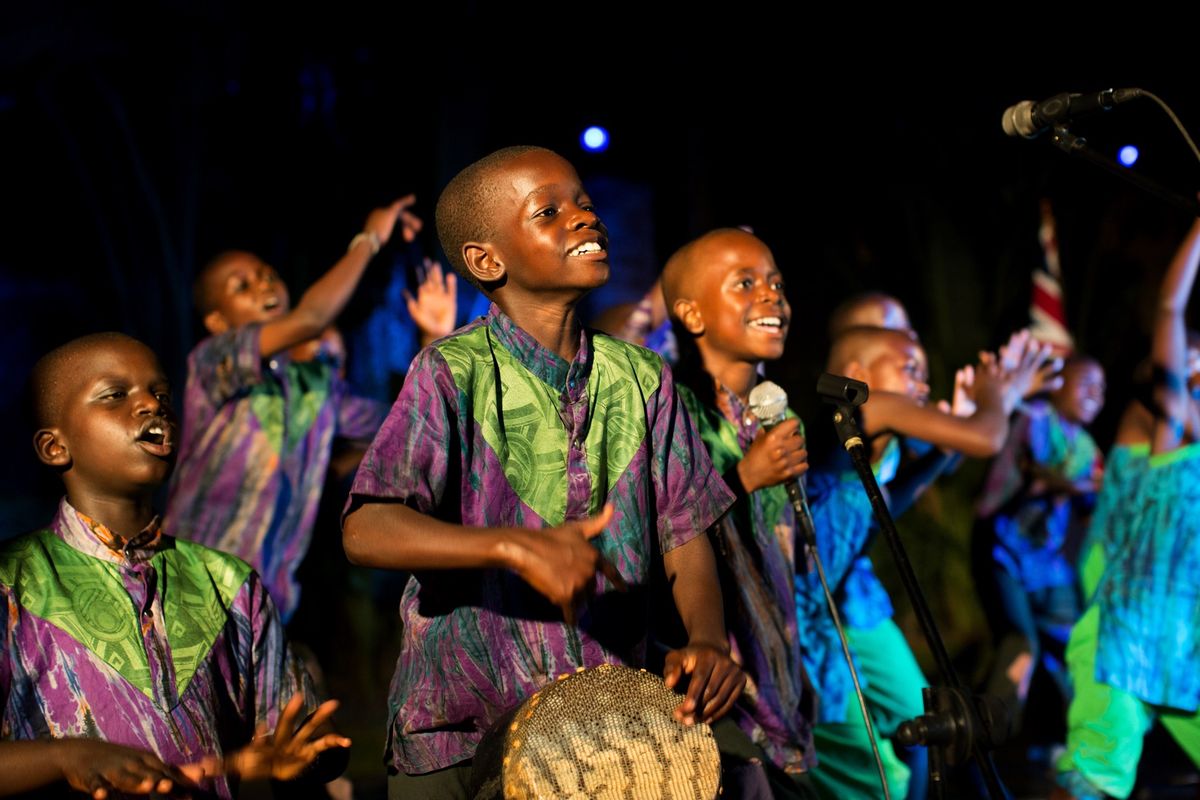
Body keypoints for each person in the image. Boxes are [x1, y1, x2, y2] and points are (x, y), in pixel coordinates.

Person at [341, 146, 744, 799]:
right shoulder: (453, 371)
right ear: (486, 260)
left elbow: (685, 531)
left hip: (606, 732)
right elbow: (366, 529)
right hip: (462, 731)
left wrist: (708, 639)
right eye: (549, 211)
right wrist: (512, 546)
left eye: (584, 203)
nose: (584, 218)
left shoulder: (643, 378)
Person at [1, 332, 349, 799]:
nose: (151, 403)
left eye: (161, 393)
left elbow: (307, 739)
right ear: (55, 447)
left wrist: (304, 756)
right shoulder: (14, 581)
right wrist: (68, 757)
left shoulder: (227, 581)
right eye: (115, 395)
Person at [802, 324, 1051, 798]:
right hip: (805, 624)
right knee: (878, 774)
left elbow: (888, 503)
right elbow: (986, 438)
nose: (921, 383)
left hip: (827, 612)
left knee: (919, 729)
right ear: (856, 373)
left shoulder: (871, 443)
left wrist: (965, 427)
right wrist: (1000, 393)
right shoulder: (869, 402)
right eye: (909, 368)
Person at [166, 197, 419, 622]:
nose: (265, 285)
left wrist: (431, 335)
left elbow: (407, 421)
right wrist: (370, 239)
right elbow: (310, 317)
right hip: (189, 592)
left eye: (269, 276)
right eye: (242, 286)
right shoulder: (213, 364)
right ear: (216, 320)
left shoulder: (315, 388)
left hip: (268, 606)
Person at [659, 228, 818, 797]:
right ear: (692, 314)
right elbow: (663, 530)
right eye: (745, 284)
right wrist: (745, 476)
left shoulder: (775, 414)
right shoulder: (672, 409)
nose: (771, 295)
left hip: (780, 682)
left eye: (775, 282)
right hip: (716, 689)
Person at [1054, 217, 1200, 800]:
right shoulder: (1166, 427)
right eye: (1191, 363)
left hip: (1186, 652)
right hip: (1126, 639)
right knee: (1091, 783)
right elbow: (1170, 308)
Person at [974, 355, 1106, 728]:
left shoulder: (1087, 447)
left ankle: (1083, 748)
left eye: (1102, 388)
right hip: (1003, 548)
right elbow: (1037, 474)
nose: (1096, 393)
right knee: (1020, 645)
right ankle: (982, 741)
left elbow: (1093, 508)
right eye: (1086, 383)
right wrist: (1090, 486)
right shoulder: (1033, 418)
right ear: (1059, 385)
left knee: (1079, 648)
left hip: (1047, 564)